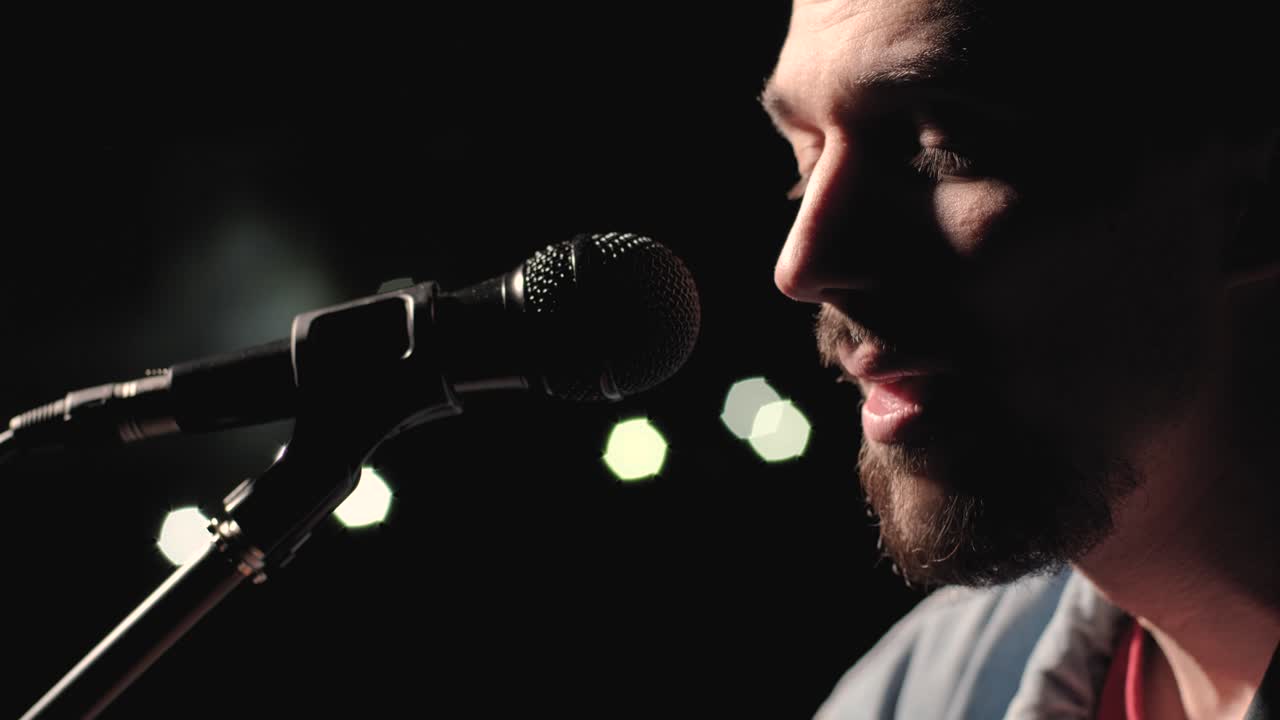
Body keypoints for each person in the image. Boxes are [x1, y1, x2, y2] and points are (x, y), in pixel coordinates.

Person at [759, 1, 1279, 718]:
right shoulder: (919, 694)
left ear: (1258, 197)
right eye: (806, 157)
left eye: (943, 144)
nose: (802, 263)